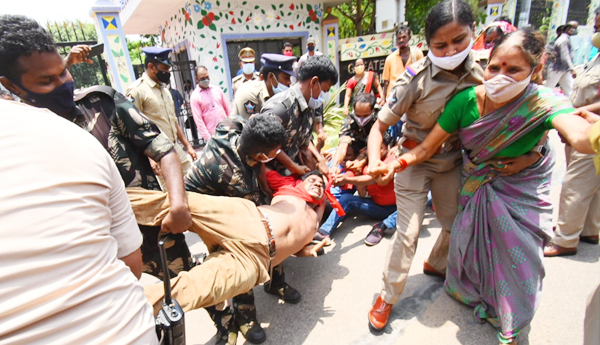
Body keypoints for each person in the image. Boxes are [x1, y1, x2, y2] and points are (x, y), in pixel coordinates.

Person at [371, 29, 596, 345]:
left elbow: (579, 135)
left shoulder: (543, 102)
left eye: (513, 70)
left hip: (522, 188)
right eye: (495, 68)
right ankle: (391, 296)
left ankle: (511, 322)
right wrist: (394, 163)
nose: (501, 76)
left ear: (535, 71)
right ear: (486, 65)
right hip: (473, 180)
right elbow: (425, 147)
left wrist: (546, 151)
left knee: (520, 259)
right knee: (462, 239)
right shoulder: (465, 100)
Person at [0, 15, 193, 279]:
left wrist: (178, 204)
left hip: (157, 234)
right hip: (98, 260)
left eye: (64, 72)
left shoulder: (103, 104)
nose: (62, 84)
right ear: (11, 86)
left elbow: (163, 148)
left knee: (192, 291)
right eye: (47, 81)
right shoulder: (20, 140)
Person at [366, 0, 485, 332]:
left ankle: (437, 262)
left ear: (472, 33)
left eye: (459, 40)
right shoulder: (414, 79)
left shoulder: (484, 72)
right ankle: (387, 296)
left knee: (454, 221)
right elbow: (378, 127)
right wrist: (376, 161)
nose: (450, 50)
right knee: (408, 233)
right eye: (440, 45)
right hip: (413, 161)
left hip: (452, 162)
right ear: (427, 44)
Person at [0, 99, 158, 344]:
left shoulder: (87, 122)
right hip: (126, 330)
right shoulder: (73, 136)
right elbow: (131, 265)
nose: (65, 81)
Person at [131, 171, 328, 315]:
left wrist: (306, 251)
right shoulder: (289, 189)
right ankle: (107, 203)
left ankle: (121, 312)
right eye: (313, 180)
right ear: (301, 182)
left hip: (256, 261)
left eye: (322, 185)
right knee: (180, 204)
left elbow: (295, 247)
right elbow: (268, 166)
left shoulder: (315, 220)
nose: (318, 185)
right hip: (247, 218)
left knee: (192, 290)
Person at [185, 114, 287, 343]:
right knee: (242, 252)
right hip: (203, 206)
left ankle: (276, 282)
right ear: (261, 155)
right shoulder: (237, 180)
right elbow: (255, 211)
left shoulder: (232, 125)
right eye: (276, 152)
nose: (278, 154)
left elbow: (256, 168)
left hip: (226, 188)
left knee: (272, 233)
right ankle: (245, 316)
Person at [544, 10, 600, 257]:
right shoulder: (595, 57)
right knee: (593, 184)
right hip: (583, 121)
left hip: (591, 127)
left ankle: (565, 239)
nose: (595, 27)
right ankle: (588, 229)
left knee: (577, 183)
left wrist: (578, 114)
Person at [261, 55, 338, 179]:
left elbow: (303, 140)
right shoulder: (280, 108)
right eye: (324, 90)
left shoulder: (309, 106)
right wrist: (292, 165)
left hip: (293, 174)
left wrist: (319, 159)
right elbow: (263, 145)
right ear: (313, 82)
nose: (323, 96)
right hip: (272, 177)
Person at [126, 47, 197, 179]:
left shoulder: (164, 90)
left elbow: (173, 122)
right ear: (151, 66)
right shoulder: (137, 90)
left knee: (192, 182)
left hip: (175, 147)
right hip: (157, 153)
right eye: (164, 69)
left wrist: (188, 146)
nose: (167, 73)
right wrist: (150, 158)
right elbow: (133, 129)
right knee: (172, 193)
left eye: (168, 69)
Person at [318, 136, 397, 239]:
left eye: (380, 148)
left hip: (396, 208)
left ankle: (384, 225)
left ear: (387, 148)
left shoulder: (392, 159)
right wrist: (338, 179)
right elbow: (361, 192)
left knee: (421, 200)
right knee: (346, 198)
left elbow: (373, 178)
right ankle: (324, 232)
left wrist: (347, 180)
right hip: (377, 207)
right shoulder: (362, 164)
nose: (376, 151)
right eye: (373, 148)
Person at [232, 53, 296, 120]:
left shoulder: (275, 94)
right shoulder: (250, 95)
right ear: (271, 77)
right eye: (286, 78)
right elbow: (252, 127)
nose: (289, 82)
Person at [331, 92, 378, 177]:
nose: (361, 119)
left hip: (375, 153)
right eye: (358, 115)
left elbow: (380, 146)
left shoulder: (380, 120)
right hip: (355, 152)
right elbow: (343, 144)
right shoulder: (349, 121)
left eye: (365, 115)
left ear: (373, 111)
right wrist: (335, 166)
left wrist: (361, 161)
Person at [382, 25, 424, 99]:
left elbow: (423, 75)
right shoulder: (390, 58)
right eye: (399, 38)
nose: (401, 40)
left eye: (404, 37)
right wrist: (384, 99)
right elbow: (386, 82)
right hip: (393, 98)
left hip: (412, 96)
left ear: (409, 37)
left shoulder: (417, 54)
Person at [190, 65, 231, 141]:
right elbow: (199, 121)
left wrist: (232, 126)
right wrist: (209, 139)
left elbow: (228, 108)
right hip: (213, 136)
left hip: (227, 130)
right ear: (196, 79)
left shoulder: (217, 90)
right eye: (202, 78)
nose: (206, 80)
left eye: (207, 77)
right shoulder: (195, 96)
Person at [545, 21, 579, 97]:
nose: (575, 30)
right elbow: (565, 56)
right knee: (548, 90)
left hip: (564, 69)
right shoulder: (563, 40)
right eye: (574, 28)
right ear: (568, 29)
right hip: (556, 69)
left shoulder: (566, 39)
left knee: (570, 90)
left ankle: (573, 106)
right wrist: (572, 69)